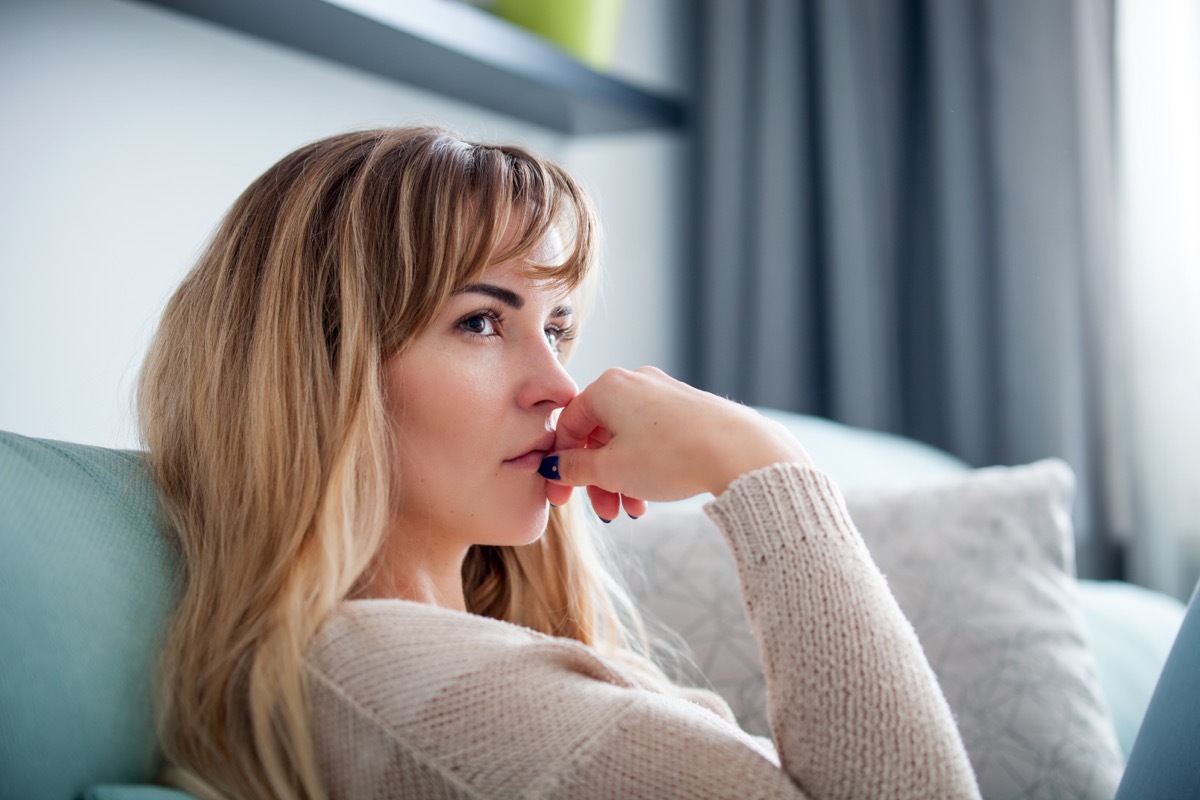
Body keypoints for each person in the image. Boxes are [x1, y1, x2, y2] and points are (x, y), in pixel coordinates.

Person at [137, 126, 981, 799]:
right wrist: (759, 465)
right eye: (480, 322)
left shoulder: (453, 658)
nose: (557, 384)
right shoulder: (401, 683)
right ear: (318, 370)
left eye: (558, 327)